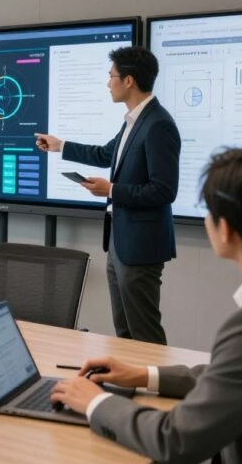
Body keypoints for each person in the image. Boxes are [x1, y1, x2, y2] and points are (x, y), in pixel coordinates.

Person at [50, 146, 242, 464]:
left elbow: (174, 440)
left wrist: (95, 403)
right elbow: (237, 374)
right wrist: (145, 375)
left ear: (226, 229)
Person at [35, 46, 180, 344]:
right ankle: (130, 386)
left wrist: (111, 190)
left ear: (129, 81)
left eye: (111, 76)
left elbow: (164, 190)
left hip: (141, 246)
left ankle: (159, 386)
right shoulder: (134, 120)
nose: (107, 83)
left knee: (144, 332)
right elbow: (104, 154)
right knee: (124, 331)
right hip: (119, 240)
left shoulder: (158, 124)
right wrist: (60, 145)